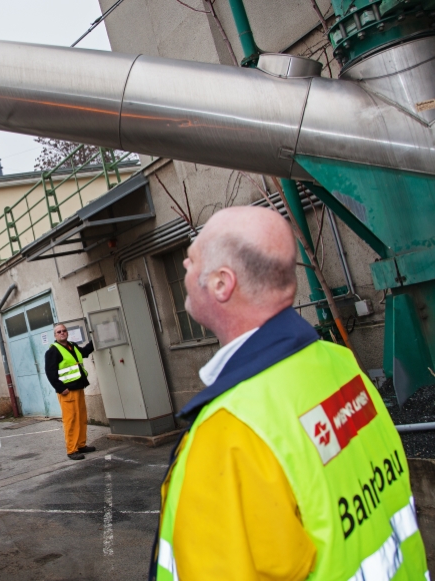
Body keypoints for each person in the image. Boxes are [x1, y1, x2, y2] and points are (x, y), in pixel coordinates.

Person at [151, 206, 426, 580]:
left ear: (221, 284)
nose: (184, 264)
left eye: (193, 257)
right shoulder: (339, 364)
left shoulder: (229, 432)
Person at [45, 323, 95, 460]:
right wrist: (61, 388)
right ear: (55, 335)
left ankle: (81, 445)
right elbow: (50, 373)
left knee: (81, 418)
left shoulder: (72, 346)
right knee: (71, 420)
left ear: (67, 333)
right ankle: (72, 450)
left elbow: (84, 353)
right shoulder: (53, 351)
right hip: (67, 392)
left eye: (64, 331)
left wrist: (95, 339)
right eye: (59, 331)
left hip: (78, 388)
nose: (62, 333)